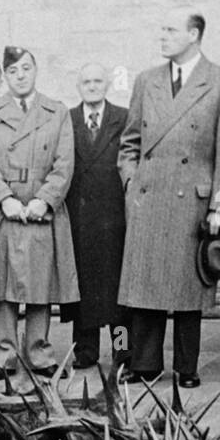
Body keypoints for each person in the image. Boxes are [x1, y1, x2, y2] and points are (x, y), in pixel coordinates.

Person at [118, 8, 220, 388]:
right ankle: (145, 364)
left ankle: (187, 367)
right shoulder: (146, 81)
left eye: (170, 30)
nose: (163, 36)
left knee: (190, 287)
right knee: (146, 284)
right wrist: (130, 182)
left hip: (193, 199)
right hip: (148, 197)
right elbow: (130, 144)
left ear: (194, 34)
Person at [0, 46, 79, 382]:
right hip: (3, 212)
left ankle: (39, 352)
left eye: (26, 69)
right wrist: (4, 199)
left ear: (36, 72)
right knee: (2, 285)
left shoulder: (56, 112)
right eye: (14, 70)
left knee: (40, 284)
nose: (20, 76)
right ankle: (3, 355)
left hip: (41, 211)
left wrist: (44, 200)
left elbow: (65, 163)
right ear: (6, 76)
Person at [65, 62, 131, 370]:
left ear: (107, 85)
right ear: (79, 87)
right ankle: (85, 352)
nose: (92, 86)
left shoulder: (123, 118)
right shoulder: (68, 119)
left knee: (118, 292)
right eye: (86, 81)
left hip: (115, 218)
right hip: (80, 218)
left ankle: (122, 351)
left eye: (98, 81)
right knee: (85, 289)